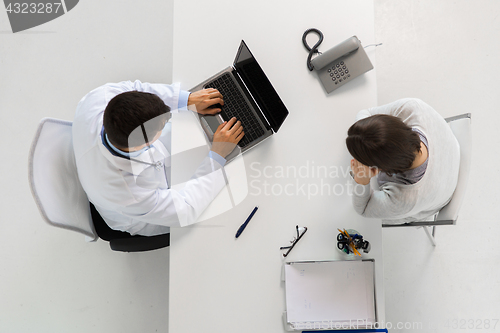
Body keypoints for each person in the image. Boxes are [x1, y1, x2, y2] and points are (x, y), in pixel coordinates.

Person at [72, 80, 244, 236]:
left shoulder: (98, 98)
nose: (168, 117)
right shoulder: (129, 191)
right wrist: (217, 156)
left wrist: (187, 100)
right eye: (162, 124)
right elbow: (185, 210)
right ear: (146, 143)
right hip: (142, 215)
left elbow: (136, 89)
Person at [346, 98, 460, 224]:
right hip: (449, 149)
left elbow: (363, 209)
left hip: (435, 196)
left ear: (381, 169)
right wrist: (366, 136)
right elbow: (365, 113)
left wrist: (362, 179)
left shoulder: (405, 199)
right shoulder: (413, 109)